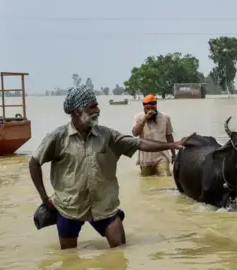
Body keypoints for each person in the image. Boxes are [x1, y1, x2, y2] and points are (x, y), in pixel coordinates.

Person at [28, 86, 194, 249]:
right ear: (77, 111)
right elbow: (34, 163)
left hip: (104, 206)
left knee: (120, 251)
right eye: (92, 107)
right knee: (69, 258)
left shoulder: (107, 135)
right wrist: (44, 198)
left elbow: (139, 143)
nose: (98, 110)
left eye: (97, 105)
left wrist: (172, 144)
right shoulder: (58, 137)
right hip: (69, 207)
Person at [132, 94, 175, 177]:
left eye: (152, 108)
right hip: (145, 158)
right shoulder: (138, 117)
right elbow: (135, 133)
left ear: (156, 106)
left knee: (166, 177)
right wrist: (145, 118)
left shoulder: (165, 117)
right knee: (146, 181)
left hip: (162, 156)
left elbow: (169, 137)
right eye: (147, 109)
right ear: (144, 108)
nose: (150, 111)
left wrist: (174, 155)